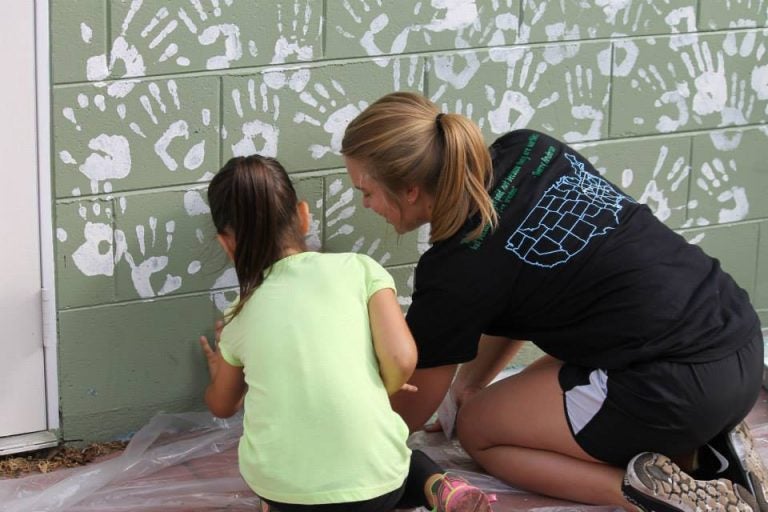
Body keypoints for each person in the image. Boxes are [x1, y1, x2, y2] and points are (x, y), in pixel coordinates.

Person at [340, 91, 766, 512]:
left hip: (677, 388)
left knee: (478, 431)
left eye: (367, 191)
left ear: (411, 191)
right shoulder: (530, 148)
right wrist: (466, 387)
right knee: (498, 397)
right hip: (737, 339)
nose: (367, 204)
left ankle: (653, 494)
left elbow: (404, 418)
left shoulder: (453, 270)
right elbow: (514, 296)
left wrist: (339, 451)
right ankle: (705, 453)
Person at [198, 154, 493, 512]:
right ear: (303, 215)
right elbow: (402, 358)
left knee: (276, 475)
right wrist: (381, 383)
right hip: (378, 491)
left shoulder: (237, 317)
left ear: (226, 244)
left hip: (288, 496)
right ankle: (439, 488)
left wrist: (220, 369)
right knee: (396, 451)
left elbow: (222, 405)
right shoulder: (359, 269)